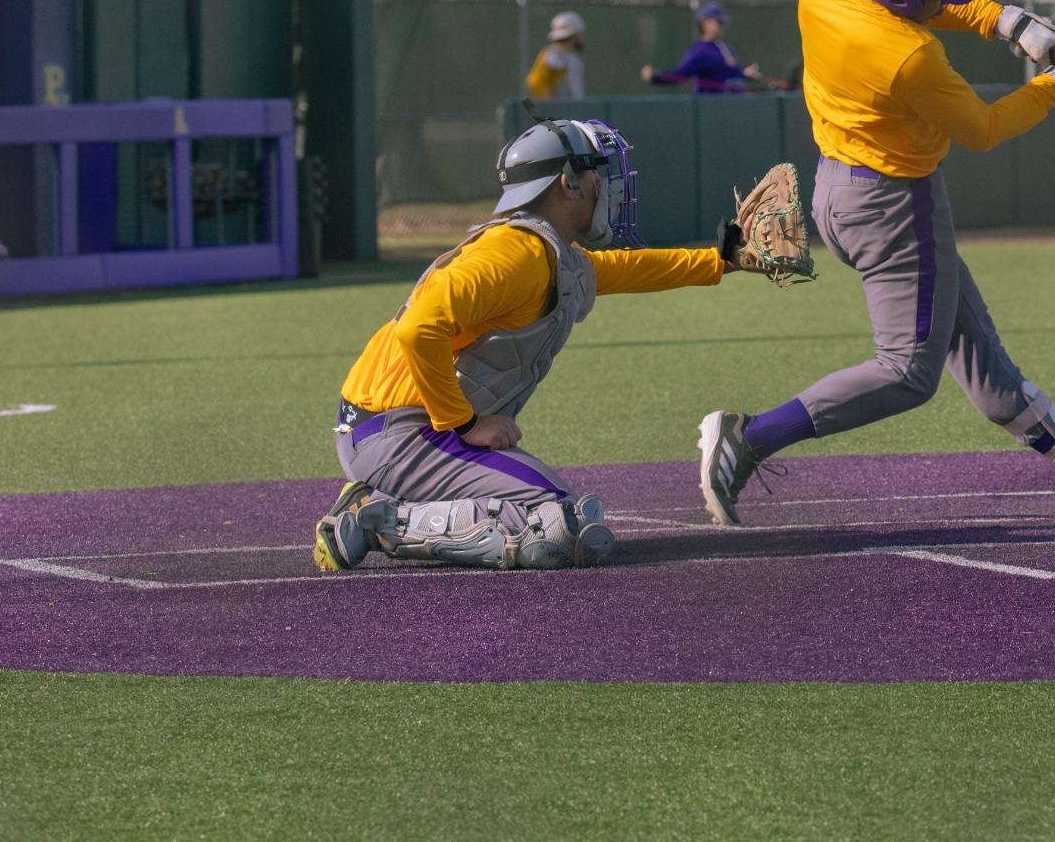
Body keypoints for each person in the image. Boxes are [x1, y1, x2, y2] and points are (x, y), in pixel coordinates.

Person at [695, 0, 1055, 525]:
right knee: (908, 372)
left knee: (976, 350)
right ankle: (750, 437)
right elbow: (982, 129)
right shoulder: (908, 56)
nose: (942, 6)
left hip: (836, 189)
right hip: (894, 208)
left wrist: (1003, 22)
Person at [313, 118, 753, 572]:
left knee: (564, 523)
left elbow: (626, 269)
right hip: (396, 431)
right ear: (567, 182)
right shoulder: (513, 255)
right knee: (557, 527)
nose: (605, 184)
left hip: (399, 428)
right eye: (594, 173)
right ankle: (373, 518)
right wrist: (463, 423)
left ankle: (385, 502)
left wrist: (725, 260)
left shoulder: (545, 252)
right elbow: (418, 329)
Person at [641, 1, 785, 93]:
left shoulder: (723, 46)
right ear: (705, 22)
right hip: (714, 112)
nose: (723, 26)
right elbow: (680, 75)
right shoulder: (700, 51)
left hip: (735, 108)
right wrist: (655, 77)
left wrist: (744, 74)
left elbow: (725, 76)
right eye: (719, 22)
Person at [525, 12, 585, 101]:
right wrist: (548, 107)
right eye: (579, 33)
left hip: (573, 111)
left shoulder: (572, 58)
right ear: (574, 34)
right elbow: (534, 83)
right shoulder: (552, 56)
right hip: (560, 112)